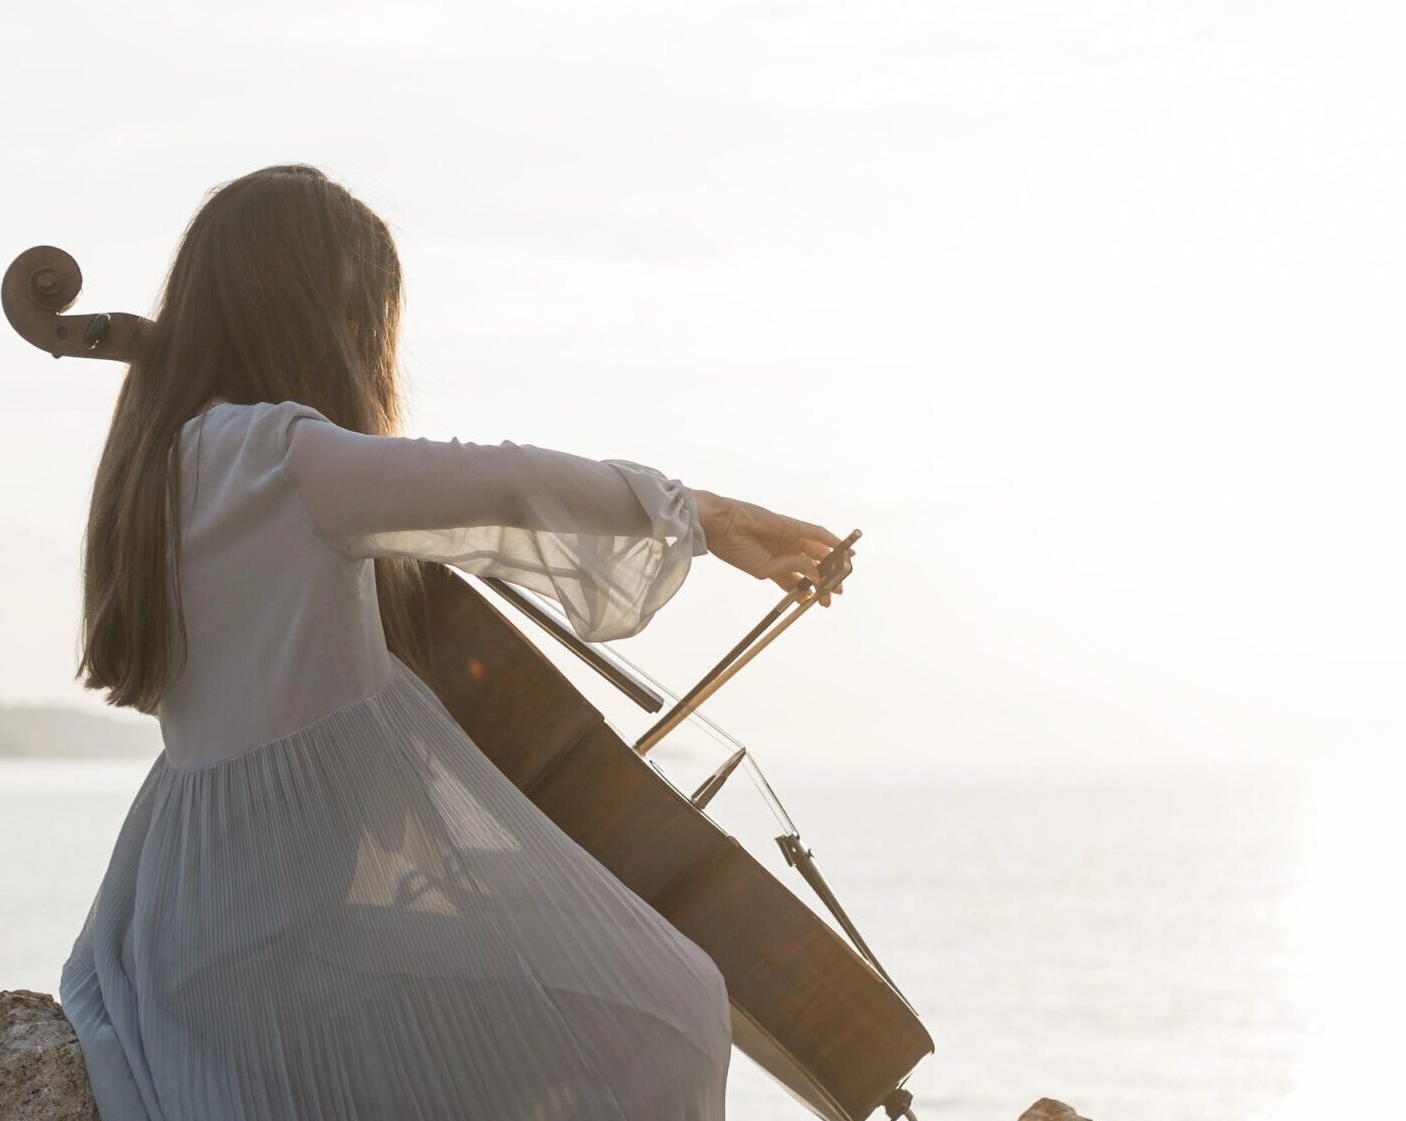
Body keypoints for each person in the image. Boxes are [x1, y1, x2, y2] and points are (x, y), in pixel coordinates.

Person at [57, 164, 847, 1121]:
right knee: (674, 1005)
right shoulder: (280, 457)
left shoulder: (164, 461)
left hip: (188, 932)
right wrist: (699, 514)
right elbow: (492, 483)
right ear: (322, 311)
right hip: (280, 960)